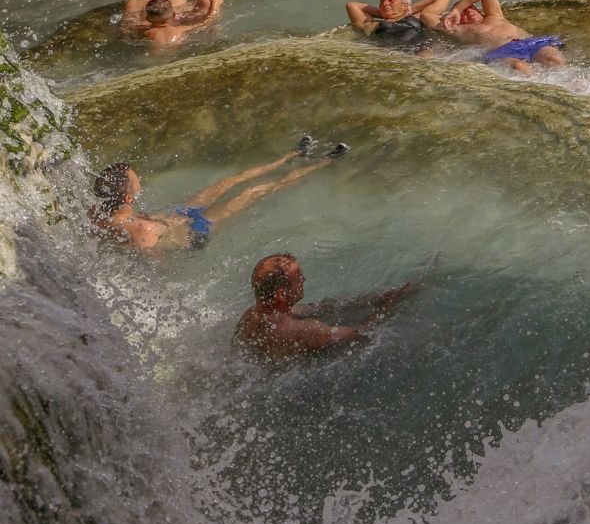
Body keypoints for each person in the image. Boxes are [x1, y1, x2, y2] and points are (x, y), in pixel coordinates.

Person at [89, 142, 344, 255]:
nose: (140, 181)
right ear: (127, 194)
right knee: (253, 192)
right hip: (195, 233)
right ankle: (324, 161)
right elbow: (156, 261)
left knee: (230, 181)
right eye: (136, 180)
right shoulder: (141, 231)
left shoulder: (97, 215)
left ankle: (292, 154)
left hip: (176, 216)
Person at [236, 255, 417, 361]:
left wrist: (372, 299)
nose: (304, 280)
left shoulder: (250, 315)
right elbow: (361, 331)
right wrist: (391, 303)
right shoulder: (303, 330)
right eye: (298, 278)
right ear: (281, 294)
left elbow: (318, 307)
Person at [438, 0, 567, 71]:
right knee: (519, 67)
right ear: (459, 21)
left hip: (529, 43)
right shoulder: (462, 29)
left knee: (552, 57)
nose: (469, 12)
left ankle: (573, 82)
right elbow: (428, 17)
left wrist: (458, 9)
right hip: (504, 51)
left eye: (470, 7)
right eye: (464, 14)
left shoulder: (495, 16)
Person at [345, 0, 451, 47]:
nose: (385, 3)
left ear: (404, 4)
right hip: (389, 53)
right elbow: (352, 6)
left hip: (418, 50)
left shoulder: (420, 16)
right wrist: (384, 14)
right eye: (382, 1)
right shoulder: (373, 24)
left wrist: (410, 9)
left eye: (390, 0)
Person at [138, 0, 222, 49]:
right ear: (174, 15)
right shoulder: (180, 30)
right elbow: (207, 22)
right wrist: (215, 4)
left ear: (148, 19)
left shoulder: (146, 31)